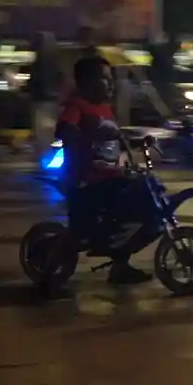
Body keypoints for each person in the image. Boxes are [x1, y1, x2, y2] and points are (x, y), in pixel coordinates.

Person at [56, 56, 154, 285]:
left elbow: (114, 138)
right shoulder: (77, 106)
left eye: (111, 79)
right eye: (104, 78)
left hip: (109, 175)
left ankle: (120, 263)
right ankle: (114, 256)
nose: (110, 84)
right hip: (88, 179)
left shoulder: (105, 110)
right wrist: (87, 137)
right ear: (86, 82)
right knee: (127, 206)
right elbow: (63, 130)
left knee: (143, 201)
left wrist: (138, 142)